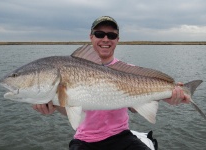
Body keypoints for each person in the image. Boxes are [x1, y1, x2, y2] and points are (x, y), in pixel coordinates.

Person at [33, 16, 190, 150]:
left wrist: (167, 96)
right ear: (91, 37)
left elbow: (134, 108)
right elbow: (70, 109)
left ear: (117, 40)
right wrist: (52, 107)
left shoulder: (130, 71)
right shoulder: (71, 66)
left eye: (111, 35)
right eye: (99, 34)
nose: (105, 39)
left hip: (121, 136)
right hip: (85, 140)